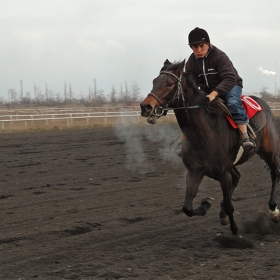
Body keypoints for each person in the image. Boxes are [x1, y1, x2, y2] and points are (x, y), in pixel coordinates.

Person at [185, 27, 255, 150]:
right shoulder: (190, 63)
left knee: (233, 103)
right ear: (191, 48)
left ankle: (245, 137)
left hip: (231, 85)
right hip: (208, 90)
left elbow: (229, 78)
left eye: (202, 46)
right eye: (195, 47)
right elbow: (191, 83)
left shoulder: (219, 56)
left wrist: (214, 93)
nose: (199, 50)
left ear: (208, 44)